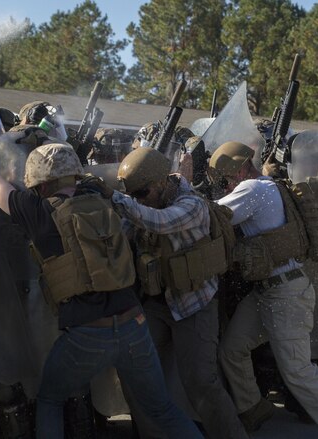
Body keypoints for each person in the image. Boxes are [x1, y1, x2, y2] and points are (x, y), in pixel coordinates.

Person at [0, 109, 201, 439]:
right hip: (134, 324)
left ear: (40, 183)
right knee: (161, 408)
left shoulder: (37, 211)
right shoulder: (102, 199)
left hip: (89, 334)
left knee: (50, 400)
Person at [87, 146, 247, 439]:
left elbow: (159, 223)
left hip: (194, 302)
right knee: (134, 373)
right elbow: (123, 232)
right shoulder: (148, 202)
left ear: (162, 184)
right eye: (134, 195)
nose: (138, 199)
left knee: (201, 384)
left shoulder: (191, 205)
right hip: (158, 302)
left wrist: (115, 198)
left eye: (142, 193)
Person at [209, 141, 318, 438]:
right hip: (269, 290)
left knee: (299, 372)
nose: (227, 185)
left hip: (285, 294)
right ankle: (253, 407)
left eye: (227, 179)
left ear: (240, 169)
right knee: (232, 349)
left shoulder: (253, 189)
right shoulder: (272, 185)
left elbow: (211, 217)